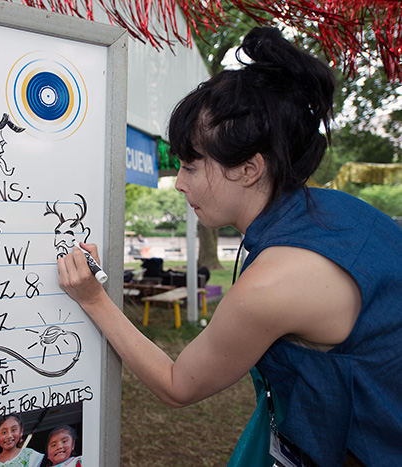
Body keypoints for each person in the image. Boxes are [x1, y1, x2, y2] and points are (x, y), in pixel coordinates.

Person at [57, 26, 402, 467]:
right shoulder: (342, 211)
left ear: (249, 168)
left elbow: (177, 383)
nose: (179, 183)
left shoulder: (269, 289)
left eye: (191, 166)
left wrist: (94, 299)